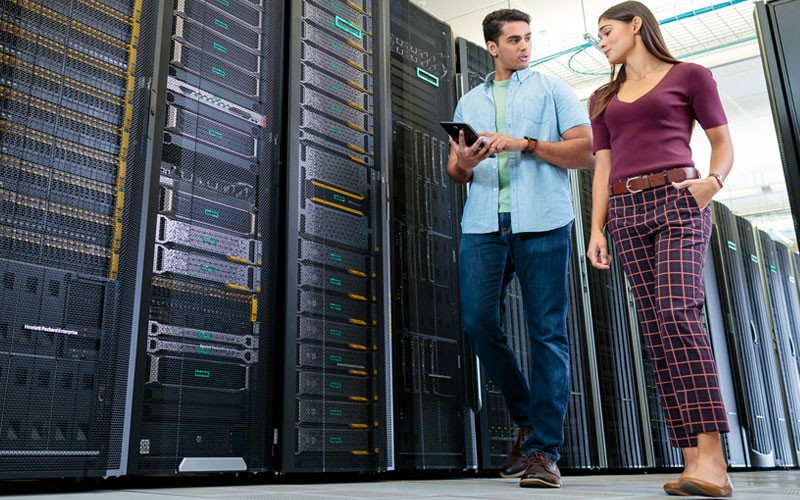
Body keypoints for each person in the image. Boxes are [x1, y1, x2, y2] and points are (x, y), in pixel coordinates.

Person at [586, 1, 734, 497]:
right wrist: (597, 229)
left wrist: (713, 182)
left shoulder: (691, 75)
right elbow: (603, 169)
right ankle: (691, 458)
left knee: (678, 313)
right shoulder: (602, 97)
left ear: (636, 25)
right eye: (597, 36)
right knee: (655, 330)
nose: (602, 42)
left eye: (607, 31)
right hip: (625, 212)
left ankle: (713, 459)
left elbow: (721, 142)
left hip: (679, 200)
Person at [446, 8, 593, 489]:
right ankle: (528, 421)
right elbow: (456, 172)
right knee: (478, 323)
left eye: (528, 37)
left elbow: (585, 152)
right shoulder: (469, 101)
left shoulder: (554, 90)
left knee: (547, 333)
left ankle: (544, 453)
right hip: (483, 224)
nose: (525, 46)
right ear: (492, 47)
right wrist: (465, 161)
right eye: (514, 40)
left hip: (544, 221)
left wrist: (525, 144)